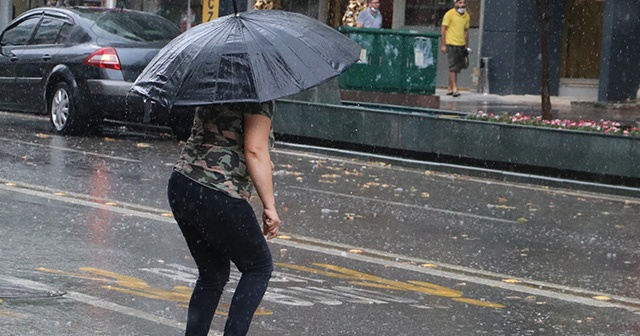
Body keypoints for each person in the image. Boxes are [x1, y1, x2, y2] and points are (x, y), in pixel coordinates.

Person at [167, 101, 281, 336]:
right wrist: (269, 206)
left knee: (213, 274)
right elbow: (255, 150)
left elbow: (219, 138)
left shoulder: (213, 80)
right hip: (218, 191)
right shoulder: (256, 94)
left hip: (182, 184)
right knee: (259, 267)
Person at [440, 0, 470, 97]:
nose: (462, 5)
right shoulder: (449, 14)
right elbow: (443, 29)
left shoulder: (466, 16)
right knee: (453, 66)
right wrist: (444, 44)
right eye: (460, 3)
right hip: (451, 43)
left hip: (461, 44)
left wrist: (466, 45)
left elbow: (466, 31)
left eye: (464, 3)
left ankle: (449, 87)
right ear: (455, 3)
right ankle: (454, 87)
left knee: (457, 68)